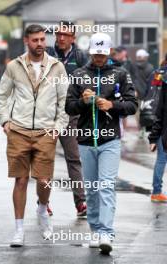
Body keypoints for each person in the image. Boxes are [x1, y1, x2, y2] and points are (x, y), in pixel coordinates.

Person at [0, 24, 69, 247]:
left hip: (46, 131)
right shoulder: (14, 67)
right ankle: (19, 230)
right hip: (18, 130)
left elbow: (64, 101)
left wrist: (58, 127)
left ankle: (42, 209)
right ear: (26, 41)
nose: (40, 44)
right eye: (35, 40)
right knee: (20, 179)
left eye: (42, 40)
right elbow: (2, 96)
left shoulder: (56, 67)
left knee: (44, 180)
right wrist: (5, 121)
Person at [65, 33, 138, 254]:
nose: (99, 57)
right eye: (96, 53)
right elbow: (69, 107)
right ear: (90, 52)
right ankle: (96, 230)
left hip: (110, 141)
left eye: (102, 53)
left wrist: (112, 105)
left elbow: (132, 105)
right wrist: (84, 101)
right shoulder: (78, 74)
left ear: (108, 52)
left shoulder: (120, 74)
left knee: (106, 186)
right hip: (86, 140)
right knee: (92, 189)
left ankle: (106, 232)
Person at [46, 21, 88, 217]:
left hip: (71, 115)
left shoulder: (80, 57)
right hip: (47, 116)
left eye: (65, 34)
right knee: (44, 159)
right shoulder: (46, 53)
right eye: (58, 33)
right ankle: (43, 202)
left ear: (73, 37)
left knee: (74, 159)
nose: (61, 37)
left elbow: (87, 83)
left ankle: (81, 203)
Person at [148, 56, 167, 202]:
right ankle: (156, 191)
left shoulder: (158, 73)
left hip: (161, 125)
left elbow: (159, 108)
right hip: (162, 126)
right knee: (161, 159)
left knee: (161, 160)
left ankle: (156, 191)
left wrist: (153, 136)